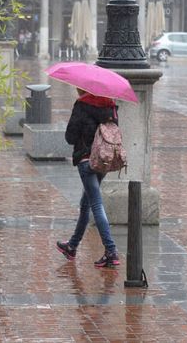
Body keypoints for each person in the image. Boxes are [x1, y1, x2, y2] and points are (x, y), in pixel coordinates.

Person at [56, 88, 120, 268]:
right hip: (103, 160)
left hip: (87, 160)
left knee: (96, 204)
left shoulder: (82, 104)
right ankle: (72, 246)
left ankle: (111, 250)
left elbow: (70, 137)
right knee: (86, 203)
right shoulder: (110, 106)